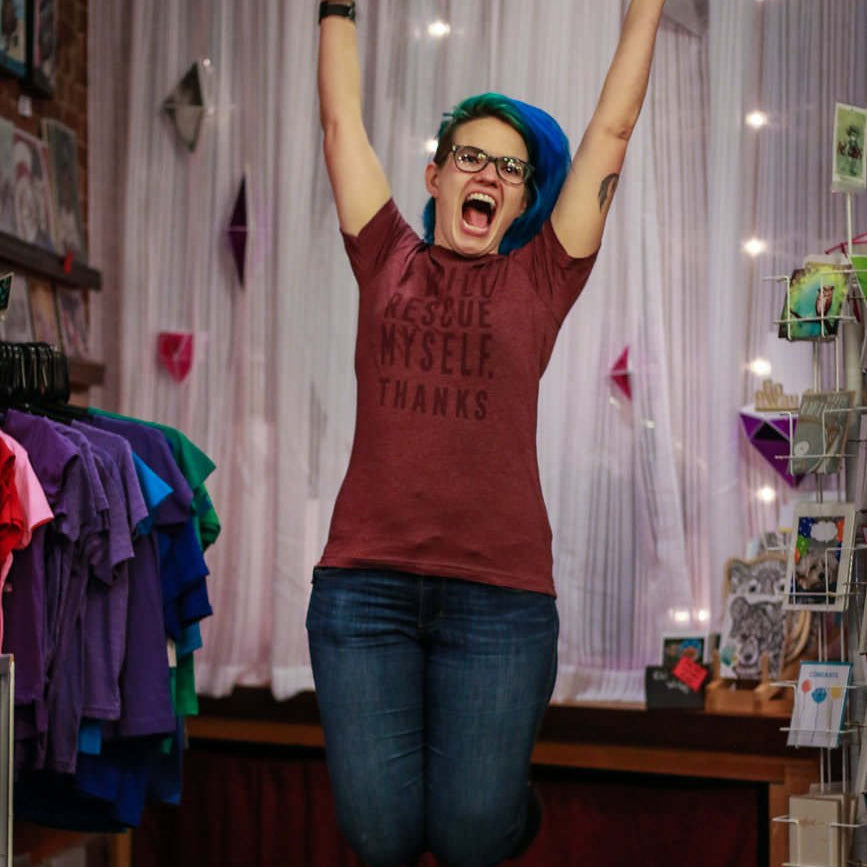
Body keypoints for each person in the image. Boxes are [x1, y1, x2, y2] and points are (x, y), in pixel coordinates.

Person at [307, 2, 666, 865]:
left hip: (498, 600)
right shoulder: (385, 256)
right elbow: (340, 122)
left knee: (471, 834)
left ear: (524, 198)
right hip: (365, 590)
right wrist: (336, 11)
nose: (489, 176)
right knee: (379, 835)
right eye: (471, 157)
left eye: (510, 168)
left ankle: (504, 805)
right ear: (436, 176)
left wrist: (644, 11)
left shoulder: (540, 279)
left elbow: (611, 133)